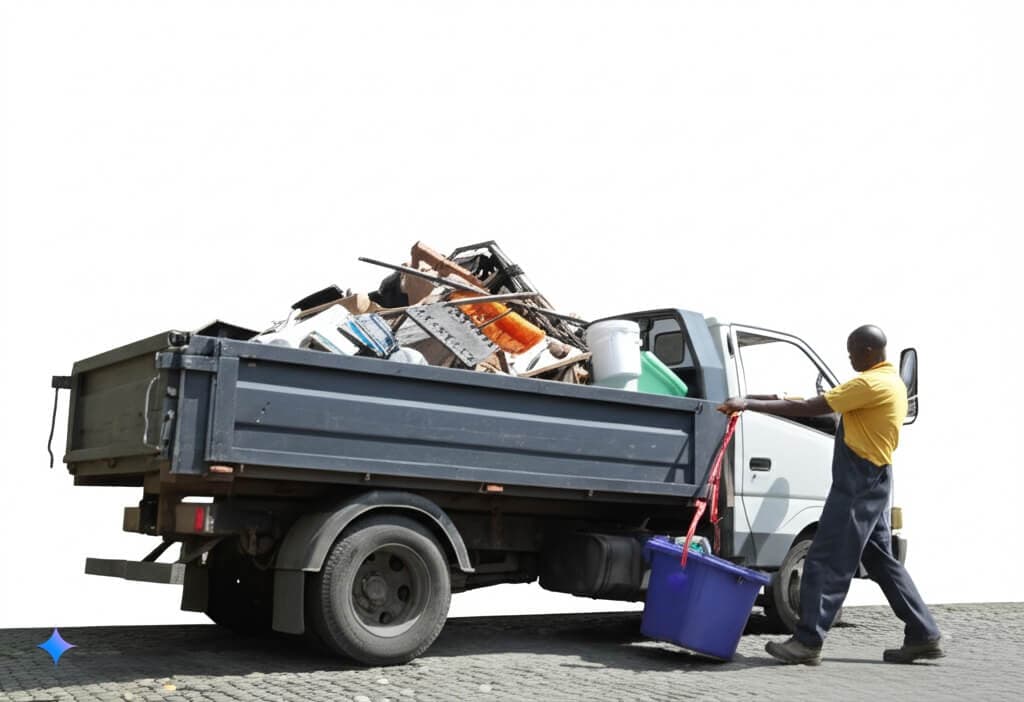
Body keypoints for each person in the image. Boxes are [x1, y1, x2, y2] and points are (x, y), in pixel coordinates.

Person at [717, 324, 943, 665]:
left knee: (826, 559)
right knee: (882, 561)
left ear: (868, 351)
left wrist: (746, 404)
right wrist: (750, 400)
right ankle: (923, 633)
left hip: (858, 482)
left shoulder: (869, 383)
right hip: (876, 480)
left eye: (852, 351)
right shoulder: (889, 381)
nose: (849, 357)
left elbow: (810, 406)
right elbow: (798, 400)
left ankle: (808, 641)